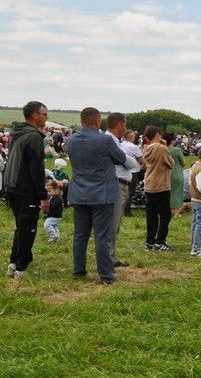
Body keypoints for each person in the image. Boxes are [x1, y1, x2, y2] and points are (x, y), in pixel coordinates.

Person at [66, 107, 127, 284]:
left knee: (80, 235)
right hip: (103, 194)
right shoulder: (105, 140)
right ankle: (106, 275)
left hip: (79, 192)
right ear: (98, 121)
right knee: (102, 236)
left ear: (81, 120)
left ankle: (79, 271)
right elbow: (121, 158)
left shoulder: (71, 140)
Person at [4, 101, 50, 280]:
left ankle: (14, 263)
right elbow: (36, 169)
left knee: (20, 227)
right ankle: (21, 269)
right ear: (34, 115)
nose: (47, 117)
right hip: (26, 190)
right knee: (28, 229)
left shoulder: (17, 132)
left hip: (13, 186)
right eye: (44, 114)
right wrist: (43, 196)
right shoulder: (33, 137)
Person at [106, 112, 140, 269]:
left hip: (121, 183)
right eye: (124, 124)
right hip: (117, 184)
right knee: (113, 222)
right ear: (119, 125)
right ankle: (109, 257)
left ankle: (110, 254)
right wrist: (129, 160)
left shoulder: (116, 141)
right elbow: (130, 163)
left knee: (116, 222)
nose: (125, 128)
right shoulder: (110, 141)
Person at [142, 125, 174, 251]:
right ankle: (160, 242)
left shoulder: (146, 148)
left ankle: (150, 242)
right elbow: (171, 163)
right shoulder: (161, 148)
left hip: (149, 185)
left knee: (151, 216)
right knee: (165, 215)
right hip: (161, 185)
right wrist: (165, 146)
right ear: (157, 135)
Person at [165, 132, 186, 217]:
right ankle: (176, 213)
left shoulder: (163, 149)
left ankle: (169, 212)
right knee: (177, 193)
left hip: (166, 173)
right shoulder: (177, 150)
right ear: (172, 140)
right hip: (176, 172)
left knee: (168, 193)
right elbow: (183, 162)